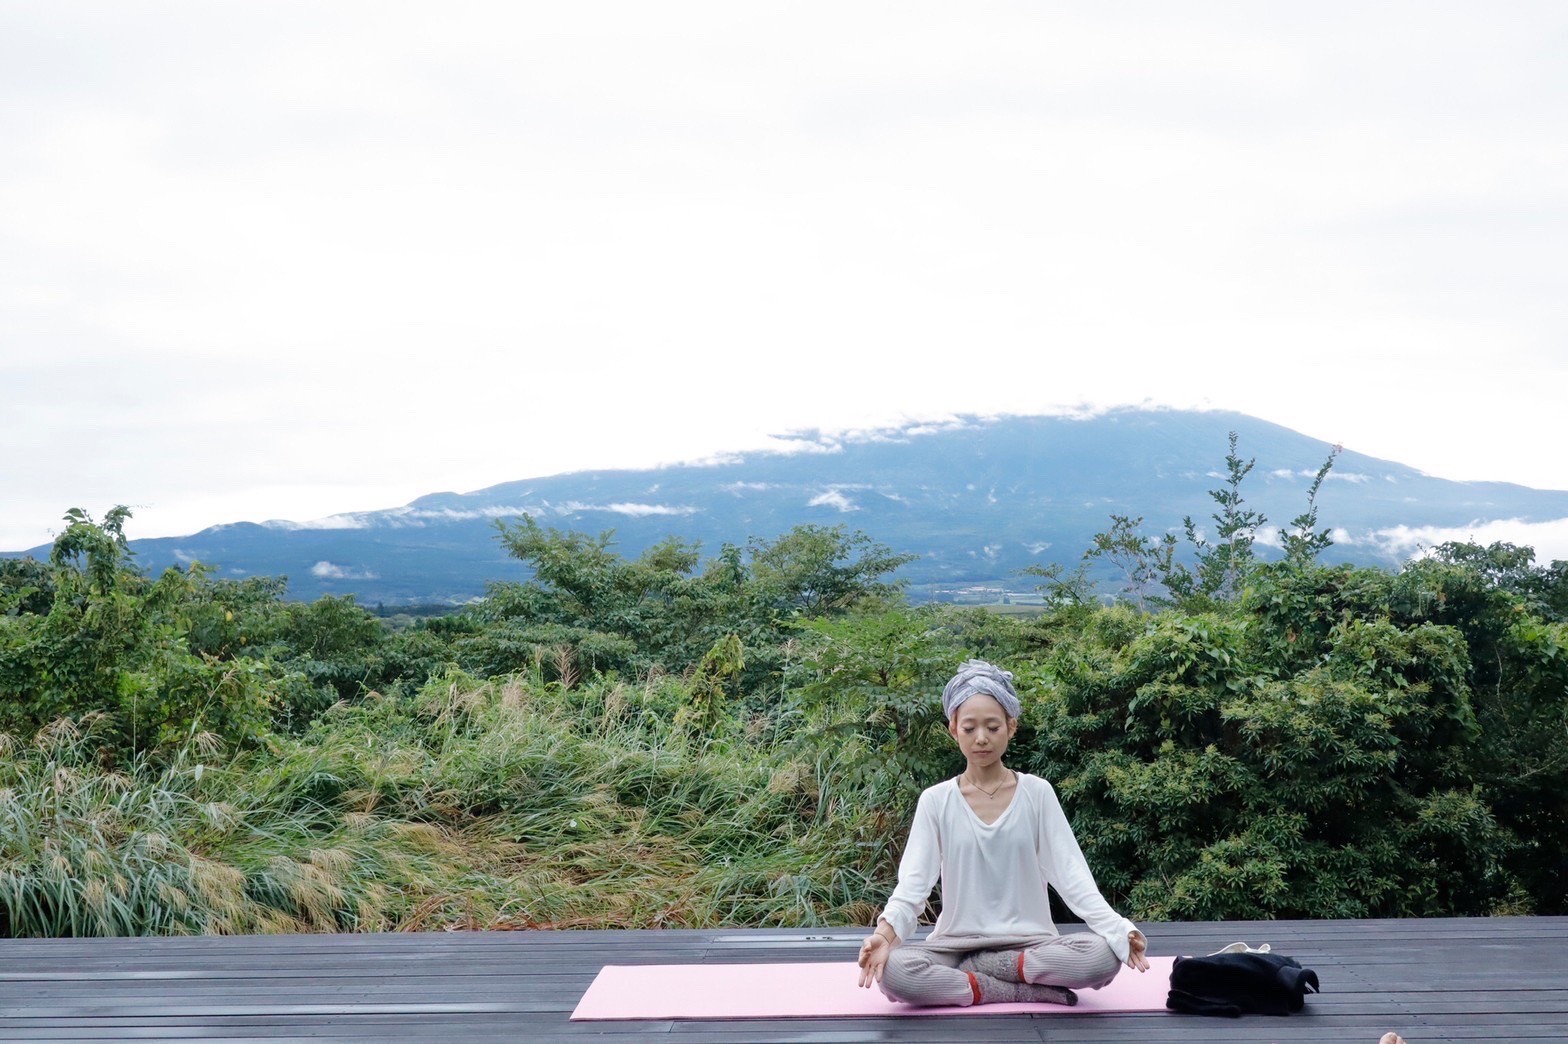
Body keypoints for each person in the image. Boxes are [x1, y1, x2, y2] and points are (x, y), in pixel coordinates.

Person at [856, 659, 1150, 1007]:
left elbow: (1072, 876)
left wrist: (1118, 929)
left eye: (993, 727)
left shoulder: (1037, 793)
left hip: (1030, 945)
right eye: (969, 728)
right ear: (953, 729)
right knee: (896, 972)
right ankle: (1016, 990)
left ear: (1011, 727)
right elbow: (913, 888)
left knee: (1101, 957)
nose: (981, 738)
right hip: (956, 946)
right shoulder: (936, 801)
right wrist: (884, 936)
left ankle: (983, 972)